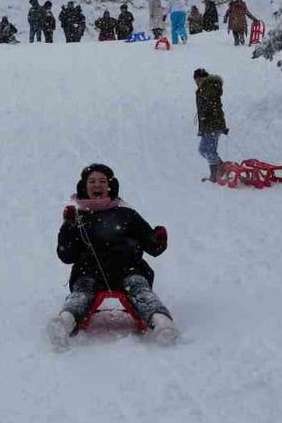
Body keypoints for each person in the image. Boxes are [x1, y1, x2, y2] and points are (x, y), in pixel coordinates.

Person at [47, 163, 178, 350]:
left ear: (110, 185)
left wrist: (158, 238)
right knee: (82, 293)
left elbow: (153, 248)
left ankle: (162, 323)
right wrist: (68, 227)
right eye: (92, 181)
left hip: (128, 268)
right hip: (89, 271)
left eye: (102, 181)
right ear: (84, 187)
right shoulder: (78, 219)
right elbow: (67, 255)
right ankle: (63, 324)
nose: (97, 185)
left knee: (139, 288)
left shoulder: (126, 215)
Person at [193, 68, 228, 181]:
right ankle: (216, 173)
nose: (197, 82)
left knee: (206, 150)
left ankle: (221, 170)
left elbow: (211, 100)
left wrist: (205, 112)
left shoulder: (209, 86)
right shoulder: (206, 87)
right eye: (196, 80)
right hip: (209, 124)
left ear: (203, 77)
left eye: (199, 79)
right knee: (206, 150)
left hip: (213, 124)